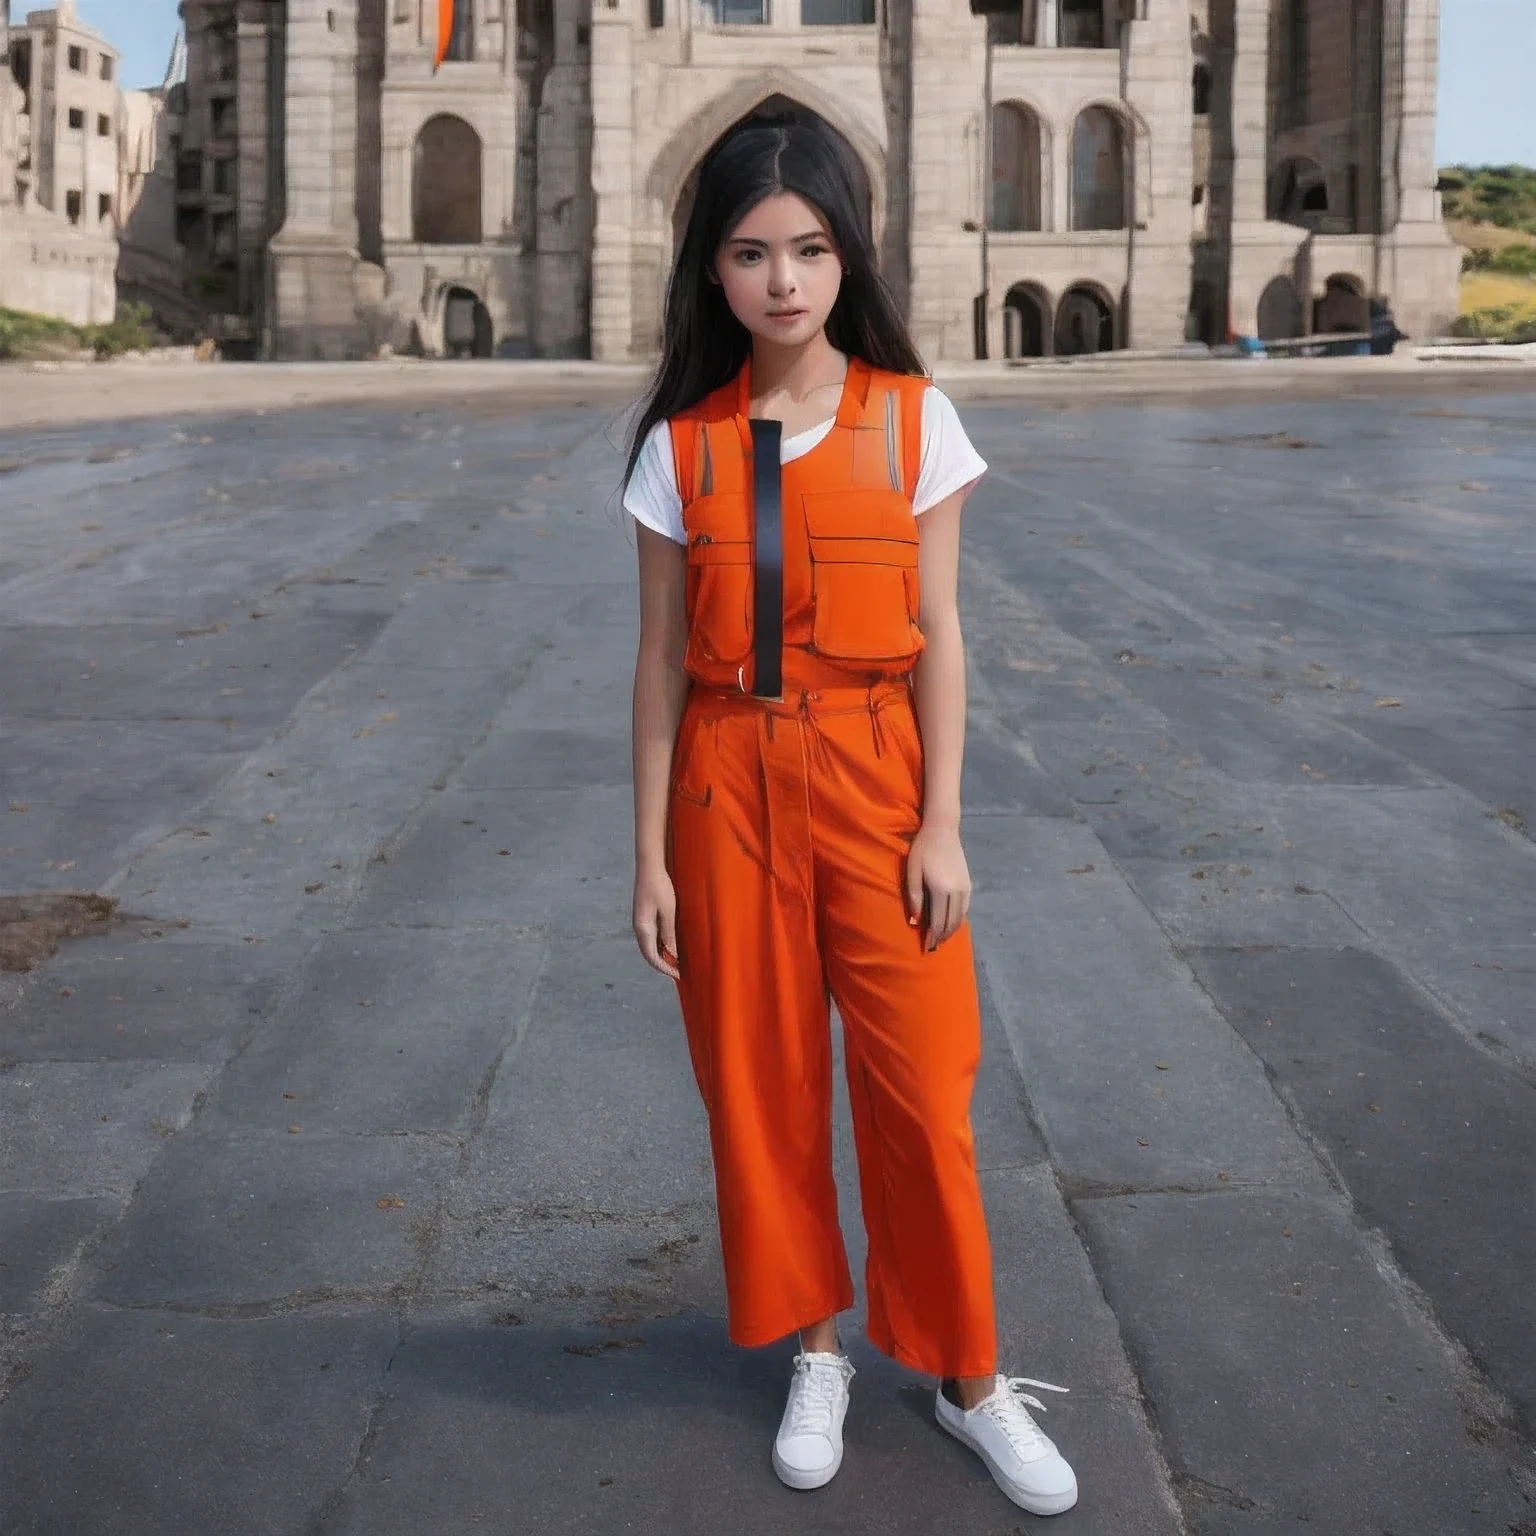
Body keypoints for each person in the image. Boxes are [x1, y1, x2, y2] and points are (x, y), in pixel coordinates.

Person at [622, 114, 1078, 1520]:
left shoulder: (911, 413)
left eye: (809, 250)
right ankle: (814, 1349)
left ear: (847, 257)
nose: (782, 281)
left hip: (879, 783)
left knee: (923, 1091)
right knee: (758, 1091)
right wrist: (648, 857)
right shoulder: (680, 450)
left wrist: (943, 823)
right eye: (750, 253)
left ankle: (970, 1378)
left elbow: (940, 631)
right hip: (725, 788)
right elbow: (654, 660)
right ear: (711, 273)